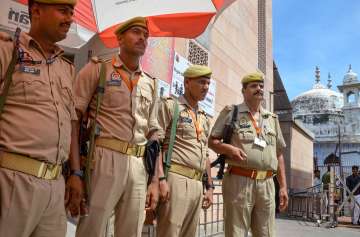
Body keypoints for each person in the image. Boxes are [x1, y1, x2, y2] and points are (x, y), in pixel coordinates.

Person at [0, 0, 82, 236]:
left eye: (72, 12)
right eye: (63, 11)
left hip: (56, 185)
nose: (70, 19)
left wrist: (75, 173)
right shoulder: (8, 51)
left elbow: (72, 124)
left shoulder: (67, 68)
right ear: (36, 10)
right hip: (12, 182)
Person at [73, 17, 159, 237]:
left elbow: (153, 134)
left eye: (145, 35)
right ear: (119, 38)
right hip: (103, 159)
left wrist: (155, 180)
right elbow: (73, 120)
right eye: (136, 32)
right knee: (93, 227)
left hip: (139, 166)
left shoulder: (151, 83)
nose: (142, 38)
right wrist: (75, 171)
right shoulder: (98, 70)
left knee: (131, 231)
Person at [208, 72, 288, 237]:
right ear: (244, 91)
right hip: (239, 181)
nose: (259, 89)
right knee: (236, 232)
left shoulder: (272, 118)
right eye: (253, 86)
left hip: (267, 183)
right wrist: (230, 149)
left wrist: (283, 187)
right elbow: (212, 141)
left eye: (261, 86)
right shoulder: (232, 112)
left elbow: (279, 154)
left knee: (266, 233)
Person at [156, 65, 214, 237]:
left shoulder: (204, 116)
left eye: (208, 83)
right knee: (169, 233)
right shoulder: (171, 106)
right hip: (176, 179)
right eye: (202, 82)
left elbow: (205, 155)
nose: (206, 87)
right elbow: (155, 144)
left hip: (197, 184)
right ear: (187, 82)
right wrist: (160, 179)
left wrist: (209, 187)